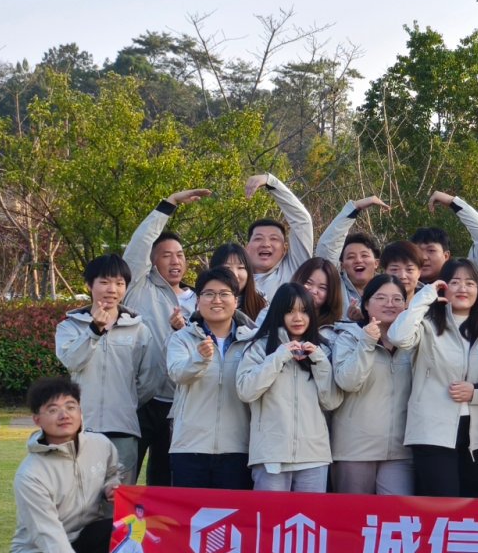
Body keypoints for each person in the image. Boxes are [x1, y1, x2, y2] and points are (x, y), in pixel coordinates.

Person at [10, 377, 119, 553]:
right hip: (40, 549)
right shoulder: (30, 474)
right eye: (53, 409)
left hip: (85, 537)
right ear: (37, 419)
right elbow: (48, 534)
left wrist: (109, 487)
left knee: (114, 529)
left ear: (80, 411)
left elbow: (114, 472)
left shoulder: (101, 445)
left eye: (71, 406)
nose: (64, 415)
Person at [123, 187, 211, 487]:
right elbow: (138, 247)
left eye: (180, 255)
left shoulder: (200, 298)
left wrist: (182, 331)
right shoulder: (138, 287)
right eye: (166, 255)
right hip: (141, 400)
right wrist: (169, 204)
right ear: (152, 261)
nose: (175, 261)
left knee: (163, 482)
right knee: (122, 478)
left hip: (180, 405)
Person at [389, 260, 478, 498]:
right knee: (442, 505)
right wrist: (423, 298)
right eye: (455, 282)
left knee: (474, 508)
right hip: (432, 432)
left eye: (470, 283)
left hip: (477, 436)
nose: (462, 288)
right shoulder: (427, 325)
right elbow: (398, 337)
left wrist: (476, 391)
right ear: (442, 287)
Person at [54, 254, 161, 486]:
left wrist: (126, 401)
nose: (112, 289)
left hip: (123, 429)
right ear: (89, 285)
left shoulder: (139, 330)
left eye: (119, 283)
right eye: (104, 282)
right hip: (80, 427)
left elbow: (150, 379)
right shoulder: (70, 327)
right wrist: (94, 331)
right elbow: (72, 361)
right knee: (79, 497)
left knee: (119, 500)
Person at [235, 283, 342, 492]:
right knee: (269, 514)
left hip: (314, 456)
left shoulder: (322, 349)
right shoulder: (259, 346)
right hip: (271, 455)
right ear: (278, 313)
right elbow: (246, 391)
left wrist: (320, 362)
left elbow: (332, 401)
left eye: (304, 311)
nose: (298, 318)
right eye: (290, 311)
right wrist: (279, 356)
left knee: (309, 514)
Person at [167, 268, 256, 491]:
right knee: (189, 512)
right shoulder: (182, 338)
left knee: (234, 512)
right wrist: (199, 359)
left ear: (236, 301)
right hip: (190, 447)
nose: (216, 300)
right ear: (198, 301)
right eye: (209, 294)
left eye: (224, 294)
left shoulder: (252, 342)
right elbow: (177, 373)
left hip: (239, 448)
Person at [327, 275, 415, 495]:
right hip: (354, 449)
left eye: (397, 299)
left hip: (401, 451)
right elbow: (347, 382)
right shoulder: (349, 337)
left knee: (397, 514)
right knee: (353, 515)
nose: (390, 304)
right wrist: (366, 343)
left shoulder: (413, 341)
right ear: (366, 304)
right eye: (381, 298)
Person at [312, 194, 392, 315]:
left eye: (364, 255)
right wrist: (356, 207)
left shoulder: (389, 288)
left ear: (376, 263)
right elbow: (327, 247)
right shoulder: (335, 287)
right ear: (342, 265)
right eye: (350, 257)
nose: (358, 260)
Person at [242, 173, 316, 300]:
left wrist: (270, 182)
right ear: (246, 248)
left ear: (285, 249)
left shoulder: (294, 269)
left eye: (274, 239)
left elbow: (302, 221)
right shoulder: (235, 280)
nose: (266, 244)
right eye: (258, 238)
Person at [410, 190, 478, 282]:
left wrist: (452, 201)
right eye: (418, 251)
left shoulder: (464, 281)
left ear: (446, 256)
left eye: (431, 250)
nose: (424, 257)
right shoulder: (403, 285)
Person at [210, 243, 267, 319]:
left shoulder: (262, 306)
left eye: (240, 267)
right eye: (227, 268)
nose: (234, 274)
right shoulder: (202, 303)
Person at [290, 257, 347, 332]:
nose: (313, 291)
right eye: (309, 283)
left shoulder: (332, 333)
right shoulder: (280, 318)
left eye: (322, 287)